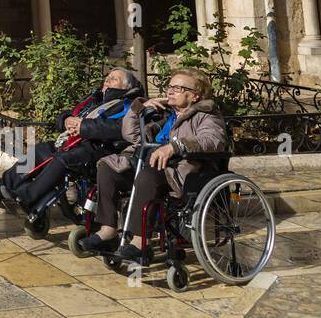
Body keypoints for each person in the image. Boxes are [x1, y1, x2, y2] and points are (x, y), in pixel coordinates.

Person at [78, 67, 228, 264]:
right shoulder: (166, 114)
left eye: (178, 88)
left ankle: (140, 242)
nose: (170, 91)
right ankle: (108, 230)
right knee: (108, 168)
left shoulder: (206, 116)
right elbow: (131, 135)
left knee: (147, 176)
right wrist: (140, 109)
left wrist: (174, 147)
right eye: (170, 86)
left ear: (194, 96)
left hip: (178, 170)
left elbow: (214, 140)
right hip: (147, 162)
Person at [0, 67, 142, 214]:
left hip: (98, 149)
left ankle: (26, 197)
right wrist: (66, 120)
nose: (107, 80)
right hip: (74, 143)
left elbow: (120, 129)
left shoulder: (129, 105)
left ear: (126, 87)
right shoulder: (96, 99)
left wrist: (83, 126)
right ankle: (3, 185)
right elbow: (70, 113)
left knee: (62, 160)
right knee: (40, 150)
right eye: (107, 77)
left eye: (113, 79)